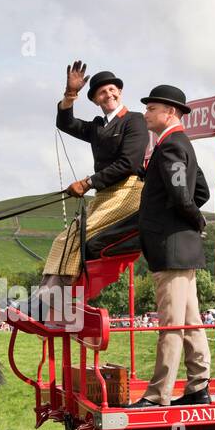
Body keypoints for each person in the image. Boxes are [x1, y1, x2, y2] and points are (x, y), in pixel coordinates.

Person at [124, 84, 212, 408]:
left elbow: (182, 194)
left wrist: (192, 219)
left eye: (151, 108)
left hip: (171, 249)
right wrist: (187, 214)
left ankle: (157, 394)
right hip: (180, 249)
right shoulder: (178, 143)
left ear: (169, 113)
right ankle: (199, 387)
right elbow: (199, 189)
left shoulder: (171, 145)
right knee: (190, 320)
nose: (146, 113)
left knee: (172, 325)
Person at [38, 60, 148, 318]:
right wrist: (69, 94)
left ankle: (53, 306)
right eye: (102, 92)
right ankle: (44, 299)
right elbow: (66, 124)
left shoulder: (134, 121)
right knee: (63, 238)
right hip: (104, 194)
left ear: (119, 92)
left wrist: (87, 182)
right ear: (96, 99)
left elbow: (128, 163)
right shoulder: (99, 126)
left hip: (128, 191)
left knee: (77, 237)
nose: (108, 94)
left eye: (112, 90)